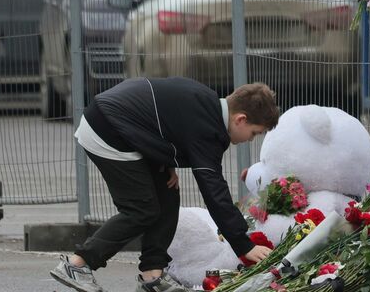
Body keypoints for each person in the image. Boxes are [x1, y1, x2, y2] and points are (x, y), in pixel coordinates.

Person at [50, 77, 280, 292]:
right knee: (141, 209)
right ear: (240, 119)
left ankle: (152, 275)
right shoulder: (208, 129)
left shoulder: (206, 103)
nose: (248, 141)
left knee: (168, 195)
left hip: (124, 126)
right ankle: (78, 264)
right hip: (108, 128)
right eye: (253, 133)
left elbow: (163, 119)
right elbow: (214, 190)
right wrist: (244, 245)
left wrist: (164, 157)